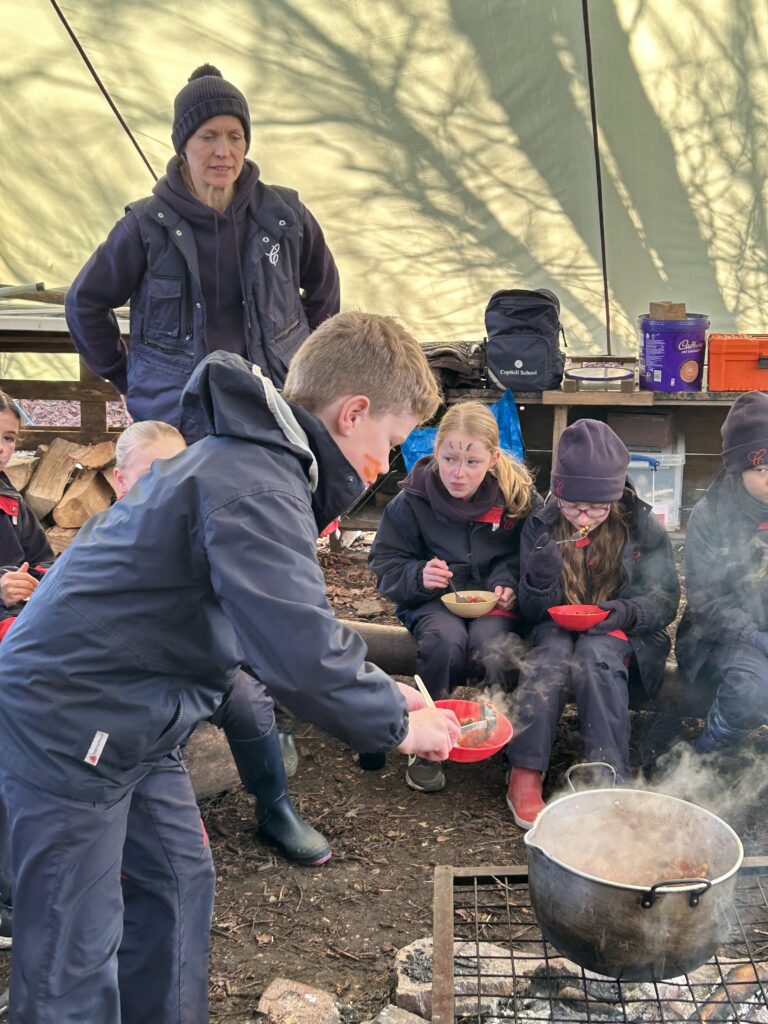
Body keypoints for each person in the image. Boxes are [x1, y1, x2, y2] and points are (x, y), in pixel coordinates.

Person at [0, 312, 460, 1023]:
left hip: (139, 716)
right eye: (393, 443)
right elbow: (301, 655)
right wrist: (401, 723)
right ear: (354, 413)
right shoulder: (253, 478)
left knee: (179, 880)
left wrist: (382, 686)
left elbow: (274, 618)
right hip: (71, 718)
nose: (387, 465)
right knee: (72, 946)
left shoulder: (259, 466)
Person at [65, 63, 340, 427]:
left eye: (235, 136)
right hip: (177, 411)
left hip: (274, 403)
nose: (223, 151)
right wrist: (122, 374)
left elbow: (325, 289)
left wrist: (307, 365)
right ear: (183, 146)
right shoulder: (146, 225)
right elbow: (84, 302)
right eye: (208, 136)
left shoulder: (284, 216)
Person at [115, 420, 332, 866]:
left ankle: (276, 808)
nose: (164, 487)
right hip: (134, 677)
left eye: (175, 473)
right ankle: (153, 820)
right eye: (148, 475)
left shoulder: (206, 524)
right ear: (120, 480)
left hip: (204, 662)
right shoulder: (104, 537)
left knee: (248, 699)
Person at [507, 419, 679, 829]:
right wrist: (540, 578)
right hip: (555, 623)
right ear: (558, 493)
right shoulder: (542, 523)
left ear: (615, 496)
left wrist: (623, 612)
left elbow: (665, 600)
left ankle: (608, 777)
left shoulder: (641, 526)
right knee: (548, 656)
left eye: (596, 507)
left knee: (597, 655)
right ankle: (525, 774)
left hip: (623, 630)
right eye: (573, 506)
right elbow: (531, 612)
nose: (583, 515)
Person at [369, 400, 538, 793]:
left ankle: (496, 729)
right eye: (448, 459)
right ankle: (427, 745)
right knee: (444, 641)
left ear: (493, 459)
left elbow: (531, 555)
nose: (458, 473)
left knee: (492, 643)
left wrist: (510, 583)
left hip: (493, 603)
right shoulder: (412, 500)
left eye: (472, 462)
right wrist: (418, 574)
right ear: (435, 451)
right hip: (432, 601)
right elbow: (384, 565)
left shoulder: (515, 497)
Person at [676, 392, 768, 752]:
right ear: (738, 468)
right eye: (763, 469)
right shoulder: (710, 516)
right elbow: (706, 603)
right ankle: (708, 752)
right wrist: (756, 637)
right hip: (717, 637)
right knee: (753, 687)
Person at [0, 390, 54, 639]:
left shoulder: (11, 500)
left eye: (9, 438)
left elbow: (42, 560)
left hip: (22, 614)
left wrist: (39, 582)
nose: (2, 448)